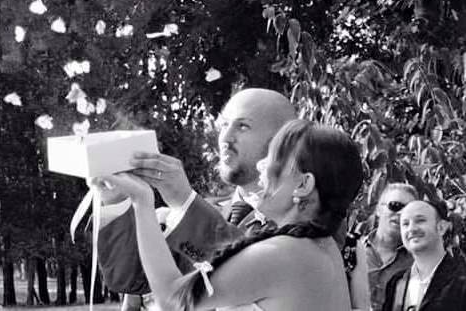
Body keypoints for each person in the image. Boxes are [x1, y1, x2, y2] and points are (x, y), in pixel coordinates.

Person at [97, 119, 364, 311]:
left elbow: (173, 300)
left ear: (303, 185)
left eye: (273, 157)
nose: (261, 165)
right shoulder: (319, 246)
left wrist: (142, 201)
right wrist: (178, 196)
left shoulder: (283, 254)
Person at [96, 89, 297, 297]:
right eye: (224, 125)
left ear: (282, 143)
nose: (225, 138)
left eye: (243, 126)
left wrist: (184, 201)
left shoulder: (300, 219)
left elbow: (254, 275)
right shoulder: (201, 213)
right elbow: (131, 281)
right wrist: (117, 198)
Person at [382, 200, 466, 310]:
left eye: (420, 221)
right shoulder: (396, 282)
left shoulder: (461, 279)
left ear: (441, 227)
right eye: (405, 224)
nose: (411, 229)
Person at [364, 183, 419, 310]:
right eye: (395, 206)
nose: (401, 213)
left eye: (408, 211)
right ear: (378, 209)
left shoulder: (418, 263)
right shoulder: (352, 251)